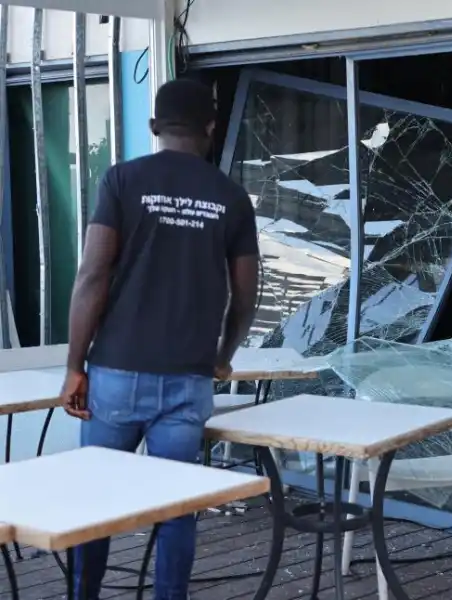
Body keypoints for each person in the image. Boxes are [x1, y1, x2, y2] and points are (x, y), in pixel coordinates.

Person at [59, 79, 259, 600]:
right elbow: (246, 297)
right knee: (176, 509)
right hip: (189, 379)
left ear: (154, 128)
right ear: (211, 130)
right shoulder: (231, 198)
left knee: (95, 503)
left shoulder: (123, 181)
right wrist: (223, 357)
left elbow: (92, 277)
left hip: (116, 377)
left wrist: (75, 365)